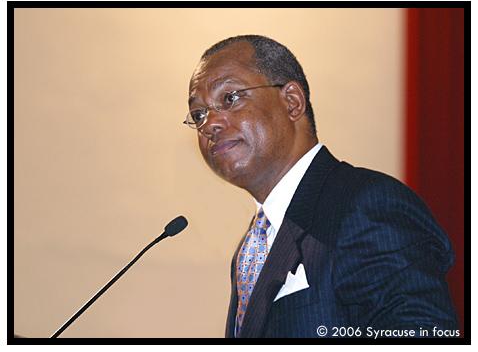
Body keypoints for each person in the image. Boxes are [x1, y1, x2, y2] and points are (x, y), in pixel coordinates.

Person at [184, 35, 458, 338]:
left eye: (230, 98)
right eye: (198, 114)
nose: (209, 124)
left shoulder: (365, 204)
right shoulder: (251, 247)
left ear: (292, 102)